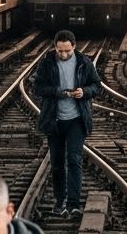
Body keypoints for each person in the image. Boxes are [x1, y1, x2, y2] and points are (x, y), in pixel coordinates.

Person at [33, 30, 100, 216]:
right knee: (56, 163)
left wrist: (84, 92)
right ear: (55, 47)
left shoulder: (84, 63)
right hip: (54, 120)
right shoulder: (47, 63)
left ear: (74, 47)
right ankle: (60, 201)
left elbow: (97, 86)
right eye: (60, 51)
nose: (63, 55)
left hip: (76, 120)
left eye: (67, 51)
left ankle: (74, 203)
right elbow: (37, 87)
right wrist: (57, 92)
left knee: (74, 160)